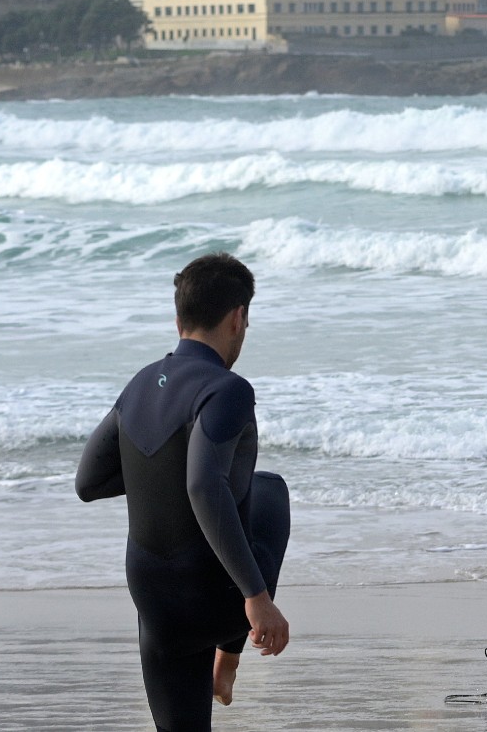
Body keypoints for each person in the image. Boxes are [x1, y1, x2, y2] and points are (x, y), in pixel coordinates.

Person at [75, 252, 291, 732]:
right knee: (269, 489)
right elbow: (201, 482)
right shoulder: (228, 389)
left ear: (179, 319)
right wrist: (256, 598)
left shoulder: (138, 385)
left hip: (154, 606)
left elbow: (87, 482)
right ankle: (228, 655)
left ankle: (222, 660)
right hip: (214, 602)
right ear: (238, 318)